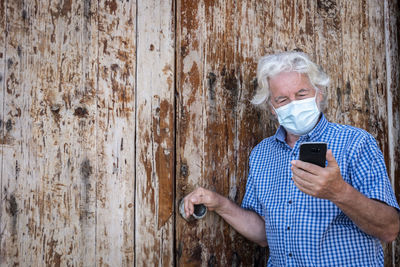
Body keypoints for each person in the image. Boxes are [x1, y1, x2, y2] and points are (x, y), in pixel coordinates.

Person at [183, 52, 400, 266]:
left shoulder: (355, 142)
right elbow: (263, 234)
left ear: (319, 94)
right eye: (283, 99)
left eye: (302, 94)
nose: (294, 104)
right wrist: (219, 204)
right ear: (272, 108)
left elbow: (389, 229)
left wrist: (339, 192)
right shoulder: (262, 154)